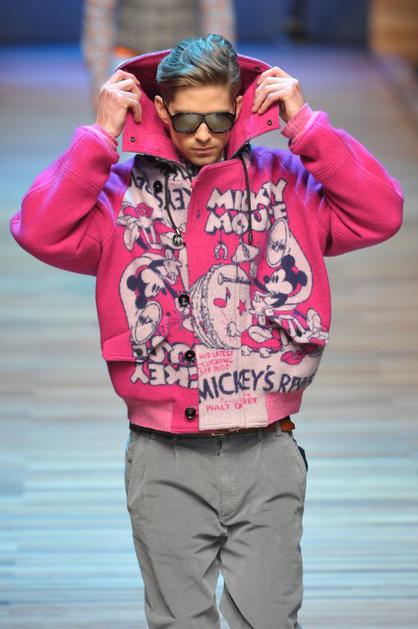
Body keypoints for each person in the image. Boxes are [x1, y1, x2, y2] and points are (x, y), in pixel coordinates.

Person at [10, 34, 403, 628]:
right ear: (161, 108)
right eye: (186, 118)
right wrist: (98, 137)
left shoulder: (286, 184)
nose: (201, 133)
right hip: (163, 452)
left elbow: (381, 211)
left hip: (265, 448)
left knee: (270, 621)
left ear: (240, 106)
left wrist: (307, 126)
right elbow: (39, 230)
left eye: (217, 118)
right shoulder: (121, 195)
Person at [81, 0, 237, 112]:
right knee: (131, 137)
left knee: (187, 129)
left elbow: (216, 15)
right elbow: (99, 15)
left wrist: (220, 75)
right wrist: (100, 82)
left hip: (186, 63)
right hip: (129, 61)